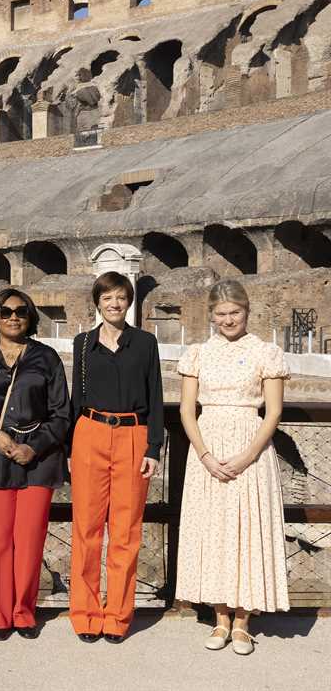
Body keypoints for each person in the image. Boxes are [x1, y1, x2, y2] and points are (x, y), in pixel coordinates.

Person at [175, 280, 288, 656]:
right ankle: (219, 617)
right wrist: (205, 455)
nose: (228, 320)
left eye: (234, 313)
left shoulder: (265, 352)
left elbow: (272, 412)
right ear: (211, 315)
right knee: (214, 528)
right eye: (221, 314)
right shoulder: (197, 353)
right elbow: (186, 411)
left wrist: (246, 456)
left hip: (249, 447)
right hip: (207, 447)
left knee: (246, 528)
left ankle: (242, 621)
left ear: (247, 311)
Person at [68, 272, 163, 644]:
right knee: (87, 529)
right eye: (107, 297)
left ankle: (118, 616)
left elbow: (155, 395)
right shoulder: (83, 344)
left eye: (121, 297)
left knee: (125, 531)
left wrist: (154, 447)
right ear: (97, 302)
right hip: (89, 433)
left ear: (129, 301)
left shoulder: (145, 343)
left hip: (132, 436)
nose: (114, 303)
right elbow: (77, 398)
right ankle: (86, 614)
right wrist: (69, 450)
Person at [0, 288, 69, 640]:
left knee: (29, 540)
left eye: (21, 311)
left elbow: (62, 414)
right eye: (6, 311)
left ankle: (24, 611)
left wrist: (37, 446)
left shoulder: (47, 358)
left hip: (39, 460)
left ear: (30, 317)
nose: (14, 317)